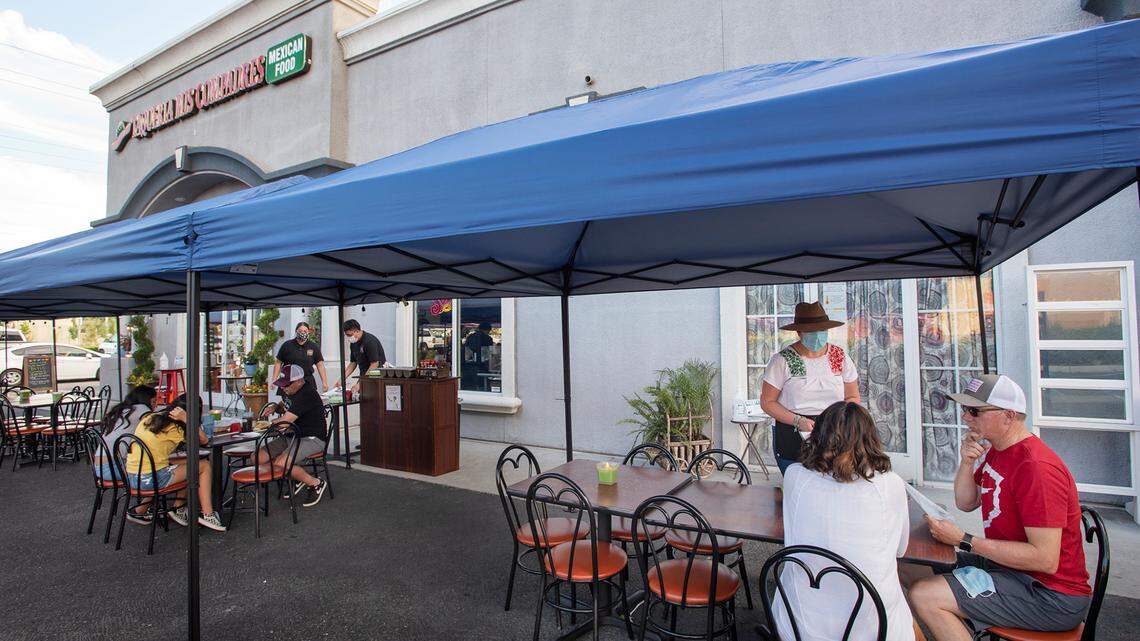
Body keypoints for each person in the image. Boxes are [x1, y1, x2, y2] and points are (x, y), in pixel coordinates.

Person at [910, 374, 1091, 640]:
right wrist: (966, 462)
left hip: (1049, 594)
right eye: (964, 410)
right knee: (910, 565)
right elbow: (966, 502)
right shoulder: (999, 450)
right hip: (1007, 569)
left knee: (924, 595)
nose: (966, 418)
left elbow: (1045, 559)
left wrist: (964, 540)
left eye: (975, 411)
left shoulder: (1036, 468)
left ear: (1009, 415)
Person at [772, 401, 915, 641]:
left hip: (797, 622)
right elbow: (900, 549)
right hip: (871, 628)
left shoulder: (795, 476)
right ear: (870, 438)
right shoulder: (890, 485)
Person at [760, 301, 861, 474]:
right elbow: (767, 402)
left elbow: (852, 396)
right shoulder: (782, 360)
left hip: (835, 432)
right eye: (811, 331)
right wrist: (798, 421)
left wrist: (842, 420)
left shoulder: (839, 356)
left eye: (821, 330)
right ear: (799, 332)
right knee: (798, 488)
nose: (817, 335)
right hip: (794, 433)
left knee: (834, 486)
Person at [121, 395, 226, 532]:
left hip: (132, 476)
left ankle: (150, 509)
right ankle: (208, 514)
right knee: (204, 466)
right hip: (151, 479)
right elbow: (204, 440)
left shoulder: (151, 418)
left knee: (188, 465)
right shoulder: (176, 428)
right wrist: (187, 419)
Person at [255, 364, 327, 507]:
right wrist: (276, 407)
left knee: (281, 463)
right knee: (257, 458)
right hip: (292, 435)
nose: (283, 388)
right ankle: (296, 476)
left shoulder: (307, 394)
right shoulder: (290, 391)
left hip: (312, 438)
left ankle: (315, 483)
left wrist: (265, 424)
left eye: (286, 385)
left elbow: (284, 423)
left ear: (299, 381)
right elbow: (286, 404)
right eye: (282, 384)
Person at [93, 384, 157, 481]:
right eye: (153, 401)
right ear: (146, 400)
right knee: (158, 471)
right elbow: (155, 425)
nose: (155, 405)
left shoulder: (122, 409)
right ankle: (147, 495)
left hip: (100, 467)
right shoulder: (141, 408)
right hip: (114, 468)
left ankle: (147, 496)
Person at [273, 321, 328, 392]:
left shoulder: (313, 346)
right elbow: (278, 362)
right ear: (296, 331)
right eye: (300, 331)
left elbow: (320, 365)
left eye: (305, 331)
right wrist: (274, 380)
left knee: (308, 402)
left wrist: (324, 382)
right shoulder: (287, 345)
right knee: (288, 402)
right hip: (289, 382)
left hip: (307, 382)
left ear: (308, 332)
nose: (303, 333)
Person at [338, 319, 387, 395]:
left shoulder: (369, 341)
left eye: (350, 335)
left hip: (376, 377)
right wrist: (342, 379)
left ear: (357, 331)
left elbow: (374, 364)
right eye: (347, 335)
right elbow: (353, 363)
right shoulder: (353, 343)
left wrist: (361, 383)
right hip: (364, 376)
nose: (349, 338)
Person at [461, 321, 496, 390]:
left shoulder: (470, 337)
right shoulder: (487, 338)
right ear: (487, 330)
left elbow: (466, 353)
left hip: (468, 368)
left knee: (469, 389)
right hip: (481, 368)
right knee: (483, 388)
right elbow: (488, 356)